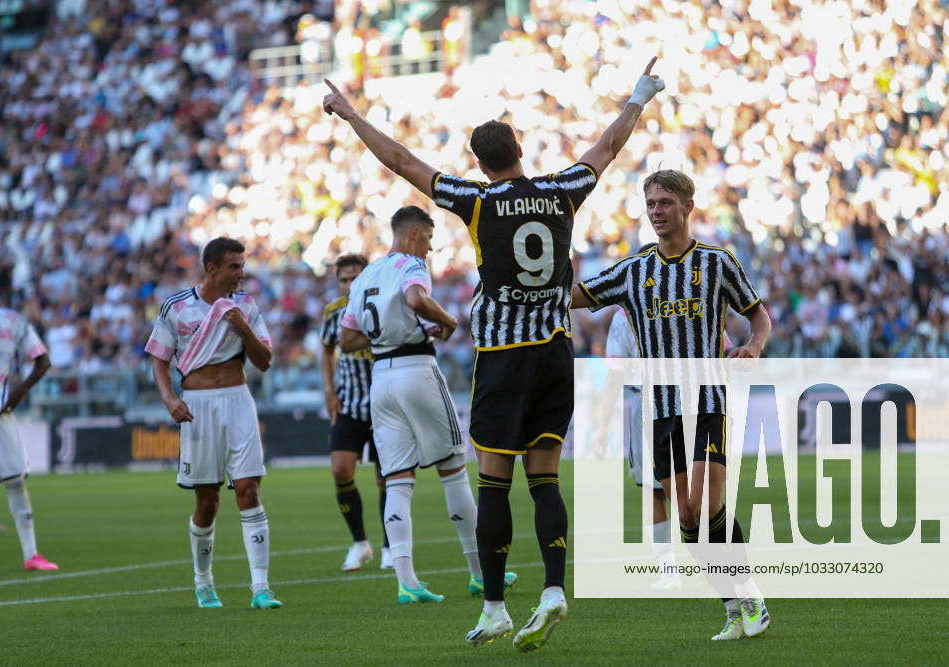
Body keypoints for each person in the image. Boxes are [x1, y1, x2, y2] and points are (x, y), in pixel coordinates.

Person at [323, 57, 666, 650]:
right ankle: (555, 590)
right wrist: (639, 96)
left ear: (481, 162)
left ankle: (495, 609)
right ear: (521, 149)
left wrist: (350, 113)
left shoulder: (474, 200)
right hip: (556, 351)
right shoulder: (561, 190)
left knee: (493, 482)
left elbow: (403, 161)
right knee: (546, 479)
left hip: (505, 355)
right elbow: (607, 148)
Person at [571, 169, 773, 640]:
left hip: (706, 403)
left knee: (705, 505)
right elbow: (578, 296)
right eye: (651, 204)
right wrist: (541, 281)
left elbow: (758, 315)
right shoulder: (633, 270)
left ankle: (750, 598)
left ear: (687, 206)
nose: (657, 211)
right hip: (660, 411)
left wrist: (753, 346)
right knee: (685, 516)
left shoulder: (717, 263)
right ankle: (733, 602)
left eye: (665, 202)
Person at [339, 206, 513, 605]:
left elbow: (347, 341)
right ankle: (480, 574)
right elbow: (417, 298)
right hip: (416, 368)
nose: (432, 247)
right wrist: (447, 321)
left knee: (398, 479)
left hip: (380, 379)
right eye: (430, 237)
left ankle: (407, 581)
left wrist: (388, 334)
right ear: (414, 232)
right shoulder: (411, 266)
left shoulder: (365, 275)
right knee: (453, 470)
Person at [145, 238, 281, 610]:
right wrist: (170, 399)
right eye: (234, 266)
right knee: (207, 501)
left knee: (249, 490)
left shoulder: (246, 307)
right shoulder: (177, 306)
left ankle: (261, 588)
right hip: (197, 406)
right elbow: (159, 359)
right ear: (212, 268)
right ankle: (203, 582)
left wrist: (243, 329)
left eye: (242, 265)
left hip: (238, 401)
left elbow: (265, 360)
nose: (241, 273)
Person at [0, 263, 57, 573]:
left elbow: (43, 361)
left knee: (15, 482)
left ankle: (32, 555)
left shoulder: (11, 321)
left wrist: (19, 393)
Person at [320, 253, 391, 571]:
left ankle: (392, 546)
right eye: (344, 280)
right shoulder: (334, 311)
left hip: (384, 403)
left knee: (386, 478)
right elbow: (326, 350)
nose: (349, 285)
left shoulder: (384, 303)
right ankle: (360, 543)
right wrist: (329, 390)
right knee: (340, 470)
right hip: (349, 403)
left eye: (354, 278)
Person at [605, 305, 680, 591]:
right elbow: (721, 348)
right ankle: (715, 565)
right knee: (694, 485)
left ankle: (669, 570)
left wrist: (602, 424)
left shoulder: (625, 314)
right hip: (693, 398)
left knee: (653, 489)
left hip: (648, 401)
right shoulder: (690, 296)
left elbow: (615, 370)